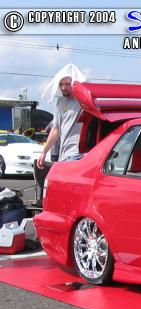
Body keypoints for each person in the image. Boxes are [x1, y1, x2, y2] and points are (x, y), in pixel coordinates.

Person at [34, 64, 86, 206]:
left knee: (69, 189)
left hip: (78, 152)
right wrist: (44, 152)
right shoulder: (60, 102)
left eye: (67, 84)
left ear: (74, 83)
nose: (64, 87)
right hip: (64, 153)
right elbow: (55, 129)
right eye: (61, 84)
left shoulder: (82, 100)